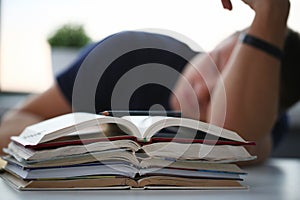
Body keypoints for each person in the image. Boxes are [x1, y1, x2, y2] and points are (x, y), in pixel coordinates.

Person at [0, 0, 298, 165]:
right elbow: (14, 125)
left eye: (224, 90)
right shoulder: (125, 55)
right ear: (221, 39)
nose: (204, 88)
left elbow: (232, 136)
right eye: (218, 62)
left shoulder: (261, 117)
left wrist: (272, 13)